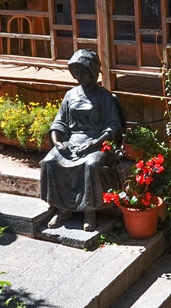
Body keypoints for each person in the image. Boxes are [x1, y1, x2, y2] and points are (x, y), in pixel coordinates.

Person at [40, 49, 123, 231]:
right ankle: (62, 209)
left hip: (97, 141)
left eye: (84, 72)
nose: (80, 76)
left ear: (93, 72)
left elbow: (113, 125)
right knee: (50, 161)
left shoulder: (104, 97)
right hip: (72, 141)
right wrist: (57, 142)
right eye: (76, 72)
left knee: (91, 164)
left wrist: (95, 143)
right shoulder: (70, 95)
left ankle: (89, 211)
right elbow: (59, 122)